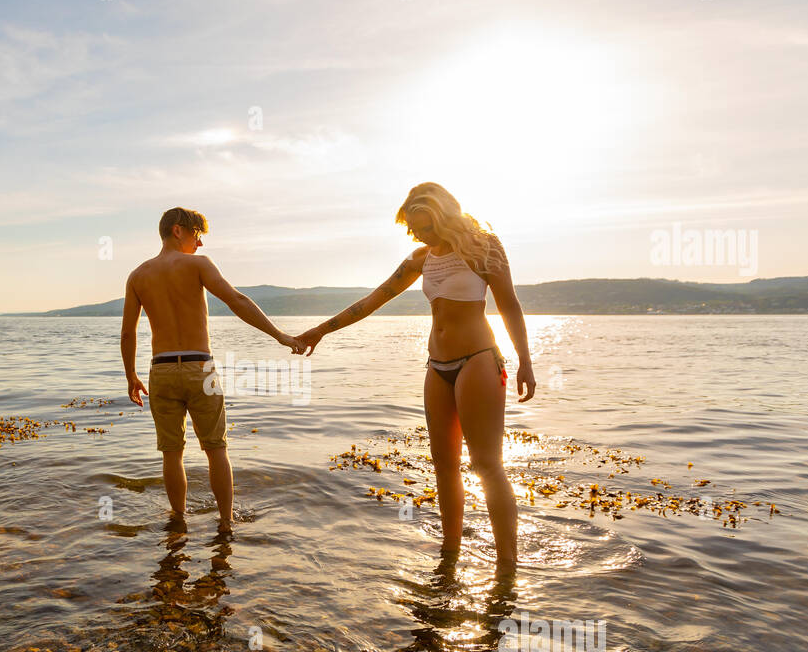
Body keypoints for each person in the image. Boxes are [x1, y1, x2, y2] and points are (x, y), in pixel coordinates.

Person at [296, 183, 536, 573]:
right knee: (443, 465)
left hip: (478, 360)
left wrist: (525, 361)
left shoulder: (483, 247)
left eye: (425, 226)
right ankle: (449, 554)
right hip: (437, 367)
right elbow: (369, 302)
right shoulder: (420, 259)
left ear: (444, 215)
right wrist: (320, 331)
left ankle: (507, 565)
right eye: (414, 228)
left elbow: (509, 304)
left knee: (487, 464)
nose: (419, 234)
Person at [122, 206, 306, 533]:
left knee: (171, 453)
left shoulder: (138, 275)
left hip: (160, 371)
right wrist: (279, 335)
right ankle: (226, 523)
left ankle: (178, 521)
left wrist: (130, 376)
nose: (201, 244)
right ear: (178, 230)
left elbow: (128, 333)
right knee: (216, 449)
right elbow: (237, 301)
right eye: (197, 234)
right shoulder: (197, 265)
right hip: (199, 368)